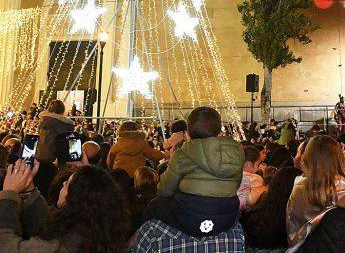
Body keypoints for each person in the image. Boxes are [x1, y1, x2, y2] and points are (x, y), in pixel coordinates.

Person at [151, 106, 245, 238]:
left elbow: (164, 190)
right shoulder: (236, 152)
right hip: (226, 217)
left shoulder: (182, 154)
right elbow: (236, 184)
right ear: (219, 132)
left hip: (188, 217)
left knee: (154, 205)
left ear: (188, 132)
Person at [0, 159, 129, 252]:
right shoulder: (94, 230)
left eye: (67, 184)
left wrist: (9, 195)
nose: (63, 184)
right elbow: (47, 223)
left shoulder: (67, 245)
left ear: (75, 199)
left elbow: (6, 246)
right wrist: (29, 191)